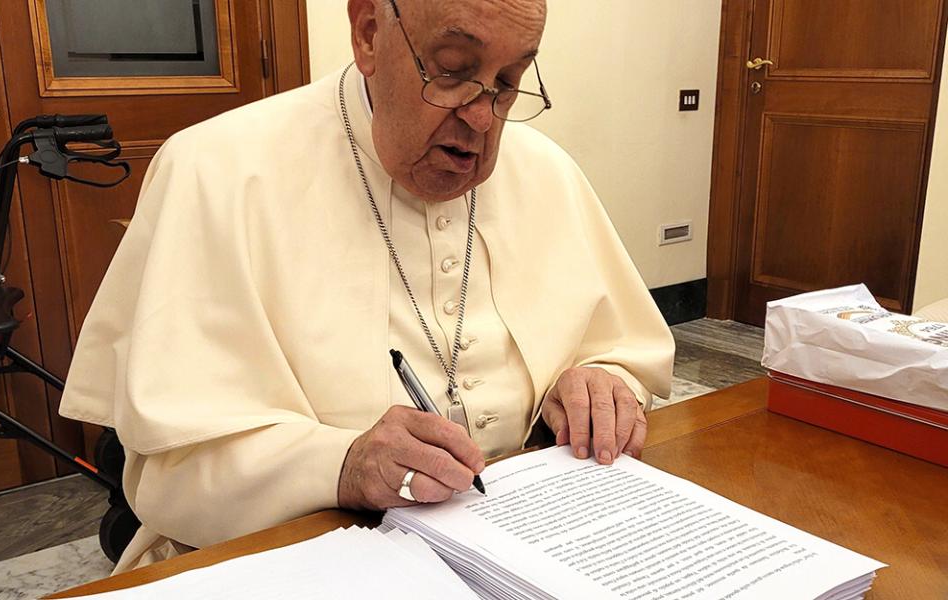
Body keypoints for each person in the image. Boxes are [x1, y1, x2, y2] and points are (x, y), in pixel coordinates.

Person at [60, 0, 674, 572]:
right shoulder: (215, 170)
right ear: (368, 34)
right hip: (294, 563)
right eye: (454, 70)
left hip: (522, 543)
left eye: (509, 81)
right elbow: (169, 475)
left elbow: (618, 348)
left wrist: (601, 382)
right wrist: (343, 466)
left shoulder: (546, 170)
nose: (484, 118)